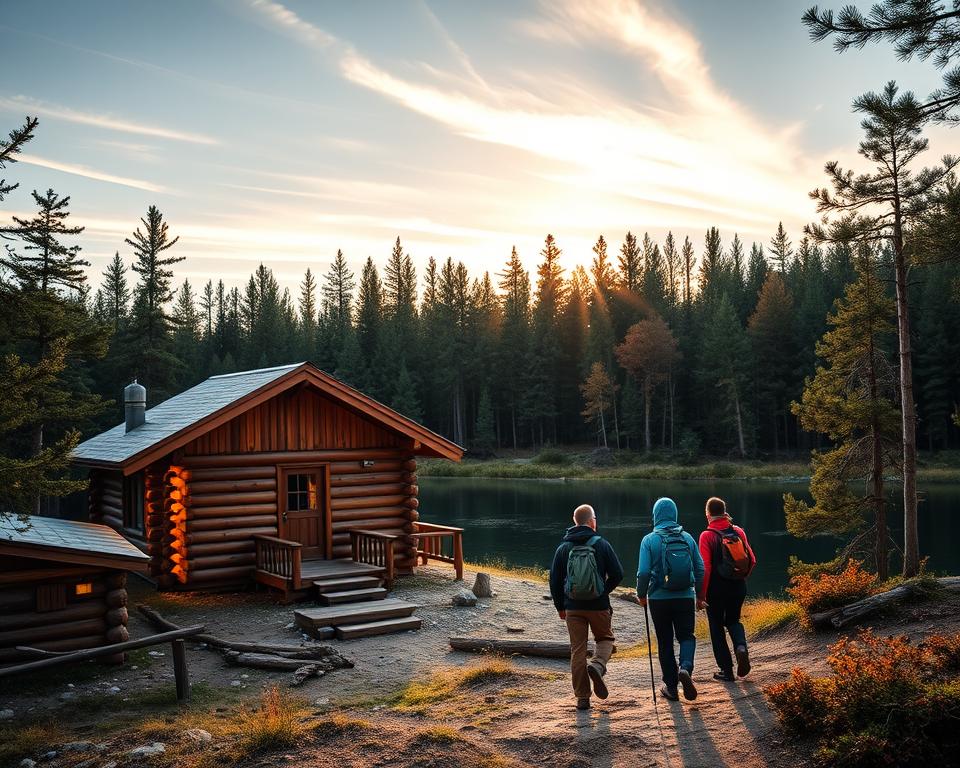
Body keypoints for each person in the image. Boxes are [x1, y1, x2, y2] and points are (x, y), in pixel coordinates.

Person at [549, 503, 624, 711]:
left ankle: (582, 698)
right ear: (592, 521)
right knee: (606, 639)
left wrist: (560, 607)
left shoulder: (564, 547)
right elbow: (618, 574)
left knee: (578, 650)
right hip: (598, 606)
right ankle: (598, 666)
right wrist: (602, 592)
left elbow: (554, 580)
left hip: (572, 607)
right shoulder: (602, 544)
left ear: (575, 522)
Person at [636, 497, 706, 702]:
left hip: (659, 598)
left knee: (665, 641)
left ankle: (672, 688)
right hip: (685, 596)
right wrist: (699, 595)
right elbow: (700, 568)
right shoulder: (688, 538)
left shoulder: (649, 540)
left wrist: (641, 594)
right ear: (674, 514)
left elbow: (643, 572)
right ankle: (685, 668)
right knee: (687, 636)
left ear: (656, 515)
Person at [698, 496, 756, 681]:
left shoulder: (707, 536)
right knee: (733, 620)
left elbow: (705, 568)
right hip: (738, 586)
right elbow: (752, 560)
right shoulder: (738, 531)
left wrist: (701, 595)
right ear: (724, 512)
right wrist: (742, 578)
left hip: (716, 591)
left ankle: (727, 670)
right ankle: (741, 647)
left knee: (716, 627)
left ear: (708, 514)